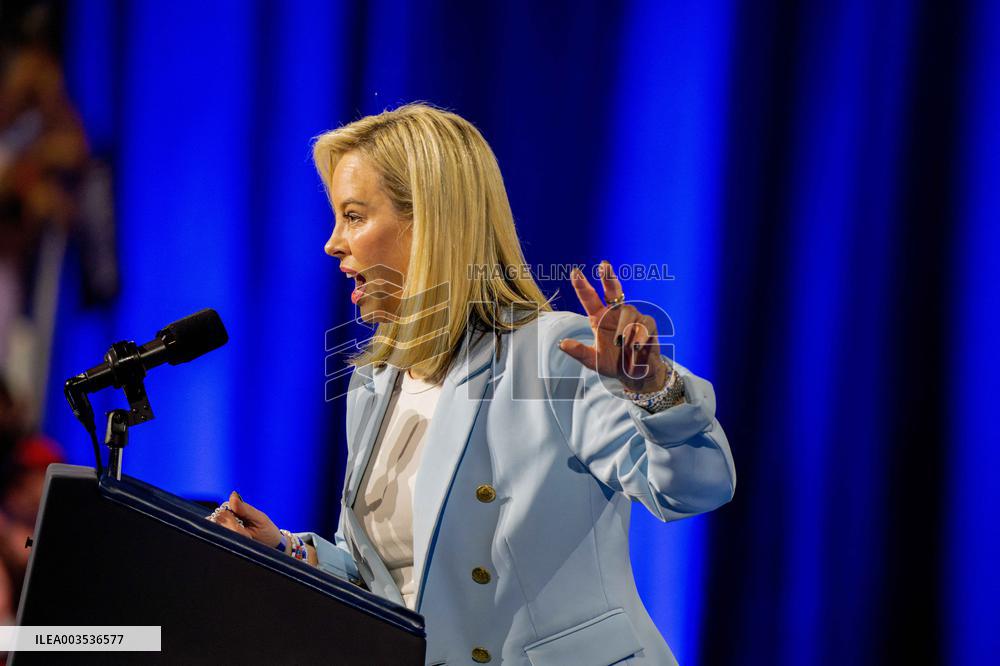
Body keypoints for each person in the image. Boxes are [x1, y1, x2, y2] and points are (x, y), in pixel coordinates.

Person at [208, 103, 735, 665]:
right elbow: (401, 579)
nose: (333, 243)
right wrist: (290, 551)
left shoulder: (548, 353)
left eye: (354, 216)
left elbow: (694, 489)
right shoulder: (373, 380)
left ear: (430, 222)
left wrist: (651, 388)